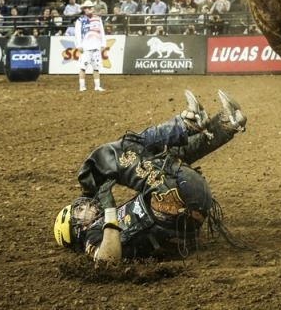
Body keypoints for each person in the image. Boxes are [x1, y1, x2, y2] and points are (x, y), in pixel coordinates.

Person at [53, 89, 247, 264]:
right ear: (76, 229)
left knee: (161, 157)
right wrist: (110, 210)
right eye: (79, 212)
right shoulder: (92, 237)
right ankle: (187, 123)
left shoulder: (103, 227)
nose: (86, 206)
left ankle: (225, 124)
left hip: (186, 201)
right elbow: (106, 261)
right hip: (176, 202)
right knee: (118, 151)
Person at [74, 0, 106, 92]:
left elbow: (102, 32)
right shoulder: (80, 20)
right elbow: (77, 34)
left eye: (90, 7)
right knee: (83, 67)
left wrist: (103, 43)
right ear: (84, 9)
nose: (89, 9)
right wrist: (79, 45)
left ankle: (97, 86)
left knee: (96, 67)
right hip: (85, 47)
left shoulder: (98, 19)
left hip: (96, 46)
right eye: (87, 8)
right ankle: (82, 86)